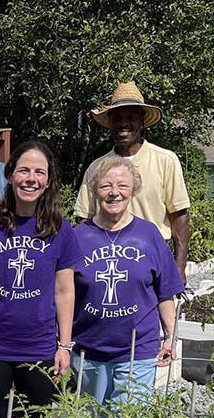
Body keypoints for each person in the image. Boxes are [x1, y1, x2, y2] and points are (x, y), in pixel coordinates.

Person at [0, 140, 83, 418]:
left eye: (39, 172)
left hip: (40, 345)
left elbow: (64, 291)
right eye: (23, 170)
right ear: (10, 175)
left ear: (48, 181)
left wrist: (65, 344)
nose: (31, 179)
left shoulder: (60, 229)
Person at [72, 156, 184, 405]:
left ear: (133, 190)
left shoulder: (149, 235)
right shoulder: (77, 237)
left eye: (122, 186)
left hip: (138, 351)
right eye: (105, 186)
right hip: (90, 351)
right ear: (94, 191)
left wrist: (170, 336)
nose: (114, 193)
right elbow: (63, 293)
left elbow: (164, 292)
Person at [73, 82, 191, 284]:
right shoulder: (97, 168)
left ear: (142, 122)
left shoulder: (165, 160)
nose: (123, 124)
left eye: (130, 118)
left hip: (153, 257)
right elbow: (85, 219)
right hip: (107, 259)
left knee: (157, 315)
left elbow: (179, 216)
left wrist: (178, 268)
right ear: (109, 123)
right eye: (117, 118)